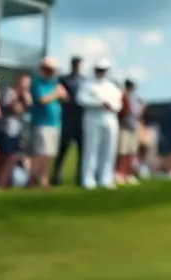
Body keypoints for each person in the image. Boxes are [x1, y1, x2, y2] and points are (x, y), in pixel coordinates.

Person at [77, 59, 122, 189]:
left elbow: (118, 104)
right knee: (90, 150)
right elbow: (81, 99)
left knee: (109, 150)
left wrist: (111, 105)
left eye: (103, 70)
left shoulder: (112, 87)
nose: (101, 72)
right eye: (99, 69)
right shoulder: (88, 84)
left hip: (110, 119)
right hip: (93, 118)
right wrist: (99, 103)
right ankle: (88, 179)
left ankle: (105, 178)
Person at [28, 57, 66, 188]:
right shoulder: (36, 83)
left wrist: (61, 94)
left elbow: (65, 97)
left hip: (55, 123)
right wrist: (57, 93)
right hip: (41, 122)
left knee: (48, 153)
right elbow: (42, 100)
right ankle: (31, 180)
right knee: (40, 153)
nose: (51, 73)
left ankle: (43, 179)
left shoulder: (55, 83)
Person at [52, 55, 84, 186]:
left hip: (80, 118)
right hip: (68, 117)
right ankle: (56, 175)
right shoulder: (64, 80)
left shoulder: (84, 81)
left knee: (82, 149)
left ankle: (80, 176)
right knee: (63, 148)